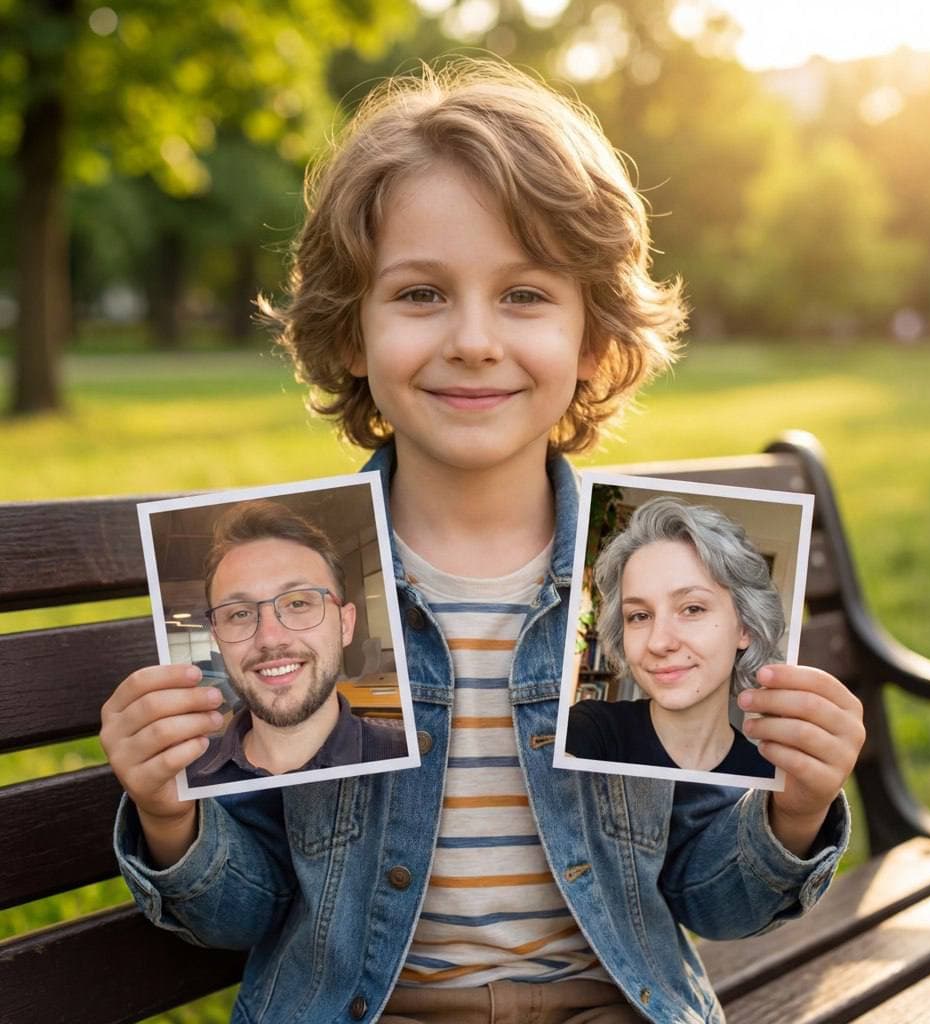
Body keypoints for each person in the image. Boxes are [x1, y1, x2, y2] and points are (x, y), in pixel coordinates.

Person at [99, 59, 865, 1024]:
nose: (472, 339)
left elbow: (713, 900)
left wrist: (792, 808)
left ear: (592, 339)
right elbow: (240, 910)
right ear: (350, 335)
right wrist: (172, 815)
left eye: (525, 295)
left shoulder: (647, 591)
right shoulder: (279, 599)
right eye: (420, 295)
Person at [183, 500, 407, 787]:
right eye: (240, 613)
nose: (270, 638)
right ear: (218, 639)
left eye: (298, 603)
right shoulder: (182, 780)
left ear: (345, 625)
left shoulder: (407, 760)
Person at [566, 497, 783, 778]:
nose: (658, 643)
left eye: (692, 609)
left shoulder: (769, 779)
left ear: (745, 628)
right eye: (639, 616)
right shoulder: (586, 731)